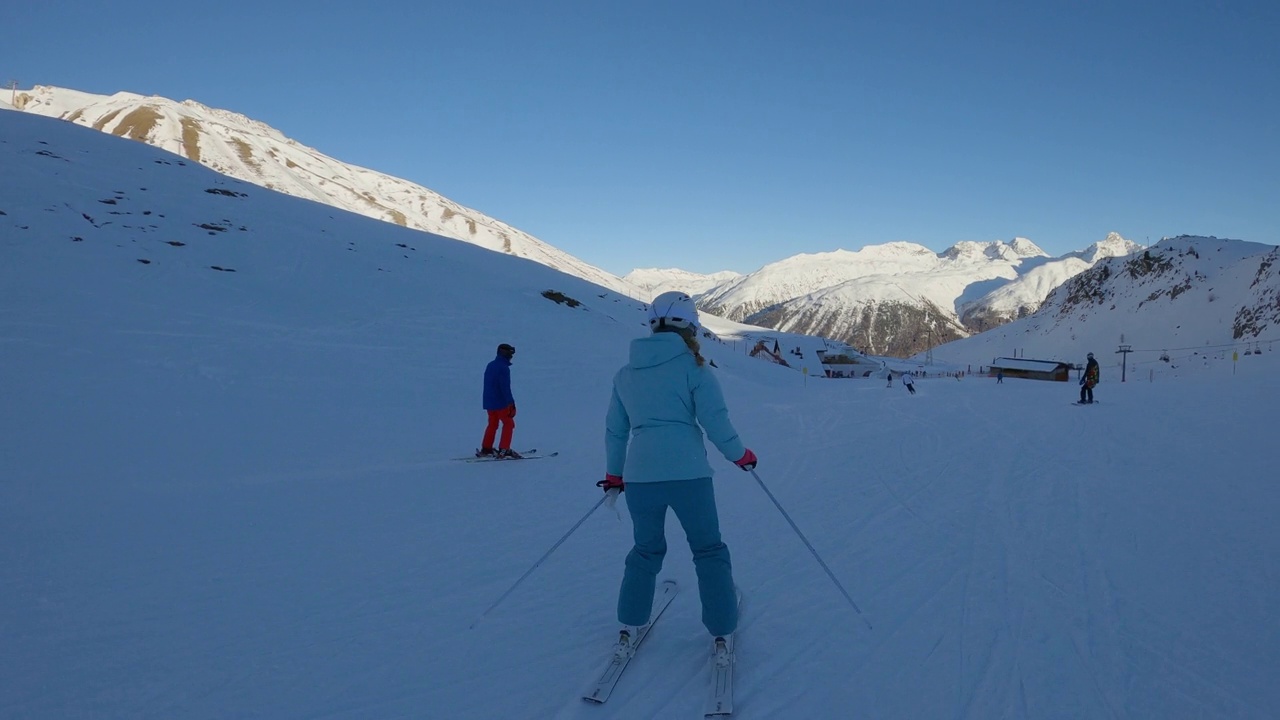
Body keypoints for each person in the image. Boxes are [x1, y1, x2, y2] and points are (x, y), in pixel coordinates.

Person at [600, 291, 756, 665]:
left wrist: (614, 474)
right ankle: (721, 630)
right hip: (689, 476)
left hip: (640, 477)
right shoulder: (694, 368)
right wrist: (741, 456)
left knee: (646, 549)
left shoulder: (625, 374)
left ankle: (630, 625)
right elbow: (715, 422)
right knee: (708, 550)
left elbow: (615, 431)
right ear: (690, 327)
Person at [477, 343, 519, 458]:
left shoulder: (490, 365)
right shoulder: (503, 368)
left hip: (489, 402)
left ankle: (486, 448)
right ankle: (504, 449)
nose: (511, 356)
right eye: (511, 353)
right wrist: (511, 403)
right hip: (501, 403)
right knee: (509, 424)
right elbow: (505, 387)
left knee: (492, 424)